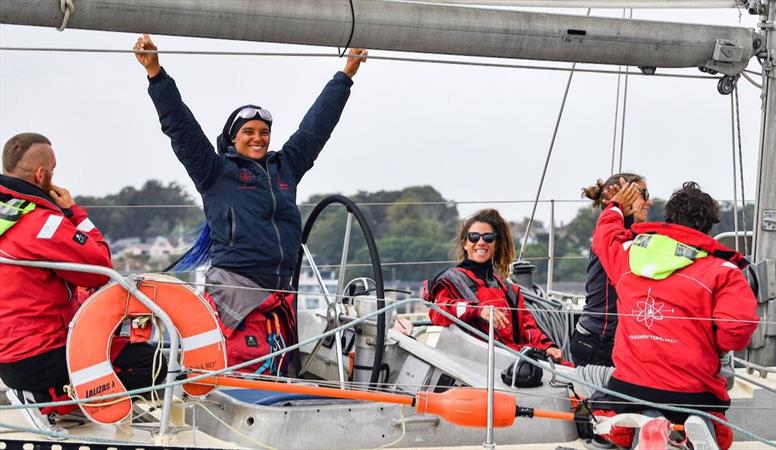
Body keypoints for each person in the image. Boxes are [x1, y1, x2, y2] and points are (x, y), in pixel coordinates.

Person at [133, 34, 368, 373]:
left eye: (264, 132)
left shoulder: (285, 167)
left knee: (280, 373)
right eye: (249, 132)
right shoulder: (214, 171)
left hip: (281, 290)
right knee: (246, 369)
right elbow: (180, 128)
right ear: (233, 138)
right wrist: (156, 75)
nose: (258, 138)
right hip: (237, 290)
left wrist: (345, 76)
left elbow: (316, 127)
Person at [0, 133, 165, 437]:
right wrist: (74, 213)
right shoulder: (41, 224)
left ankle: (61, 399)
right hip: (37, 357)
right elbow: (99, 268)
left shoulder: (6, 215)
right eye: (53, 169)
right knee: (153, 365)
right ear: (42, 175)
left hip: (9, 353)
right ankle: (46, 399)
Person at [589, 181, 758, 450]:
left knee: (616, 415)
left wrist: (616, 206)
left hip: (632, 387)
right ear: (708, 227)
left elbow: (605, 235)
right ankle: (693, 425)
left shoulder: (629, 255)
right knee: (718, 429)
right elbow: (737, 331)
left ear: (669, 219)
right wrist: (713, 343)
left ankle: (649, 425)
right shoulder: (723, 270)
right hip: (695, 390)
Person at [426, 209, 563, 360]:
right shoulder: (451, 282)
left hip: (514, 361)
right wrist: (477, 310)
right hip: (477, 364)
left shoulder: (510, 291)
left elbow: (527, 328)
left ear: (496, 245)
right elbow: (438, 312)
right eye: (474, 237)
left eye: (488, 237)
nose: (481, 242)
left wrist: (547, 346)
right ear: (465, 243)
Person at [570, 173, 652, 367]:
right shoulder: (611, 238)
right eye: (644, 193)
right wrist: (617, 206)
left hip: (614, 341)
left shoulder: (625, 234)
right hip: (597, 342)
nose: (649, 201)